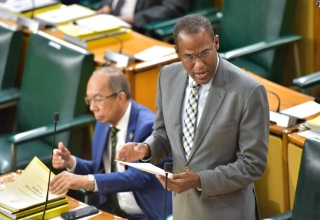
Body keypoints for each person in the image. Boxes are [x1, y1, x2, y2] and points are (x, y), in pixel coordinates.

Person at [116, 14, 270, 220]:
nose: (199, 65)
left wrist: (199, 180)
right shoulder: (167, 77)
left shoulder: (248, 91)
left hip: (228, 212)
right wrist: (146, 148)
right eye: (189, 57)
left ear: (216, 42)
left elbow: (253, 164)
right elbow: (164, 133)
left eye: (205, 53)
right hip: (183, 210)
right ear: (177, 52)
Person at [49, 67, 172, 220]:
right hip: (110, 211)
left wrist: (84, 181)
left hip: (145, 215)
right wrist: (71, 162)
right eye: (89, 100)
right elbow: (101, 170)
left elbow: (137, 178)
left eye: (98, 99)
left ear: (120, 97)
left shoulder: (148, 127)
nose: (92, 107)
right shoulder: (104, 120)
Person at [96, 0, 191, 33]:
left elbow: (173, 7)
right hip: (107, 22)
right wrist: (107, 6)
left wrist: (135, 20)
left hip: (137, 29)